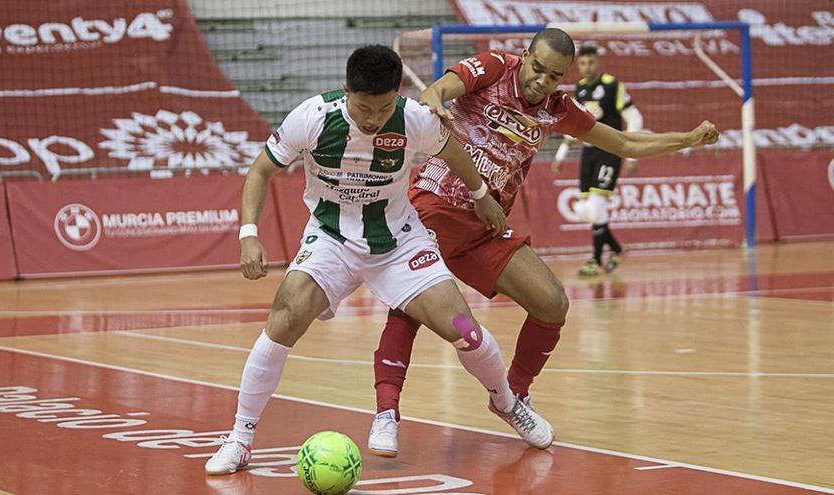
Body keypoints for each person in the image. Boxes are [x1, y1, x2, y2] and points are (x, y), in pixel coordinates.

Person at [204, 45, 555, 476]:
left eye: (383, 107)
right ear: (347, 90)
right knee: (285, 315)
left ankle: (505, 401)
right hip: (332, 239)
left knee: (466, 330)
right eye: (364, 107)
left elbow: (454, 154)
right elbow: (260, 170)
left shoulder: (414, 119)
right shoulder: (313, 117)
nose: (372, 118)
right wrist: (249, 235)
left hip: (400, 243)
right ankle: (240, 438)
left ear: (398, 96)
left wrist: (481, 196)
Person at [368, 29, 718, 457]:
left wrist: (686, 139)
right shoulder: (495, 68)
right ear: (525, 56)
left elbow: (623, 142)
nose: (542, 81)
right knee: (410, 307)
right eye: (537, 68)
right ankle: (386, 413)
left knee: (552, 303)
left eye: (554, 76)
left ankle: (511, 398)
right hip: (433, 208)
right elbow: (443, 87)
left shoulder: (558, 108)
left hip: (487, 224)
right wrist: (436, 99)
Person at [551, 45, 645, 276]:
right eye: (582, 63)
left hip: (610, 151)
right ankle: (615, 249)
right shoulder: (580, 89)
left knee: (595, 207)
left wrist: (631, 153)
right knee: (585, 210)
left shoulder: (612, 85)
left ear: (598, 63)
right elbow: (574, 125)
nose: (587, 67)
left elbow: (635, 118)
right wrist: (561, 153)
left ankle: (595, 258)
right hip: (589, 152)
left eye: (591, 62)